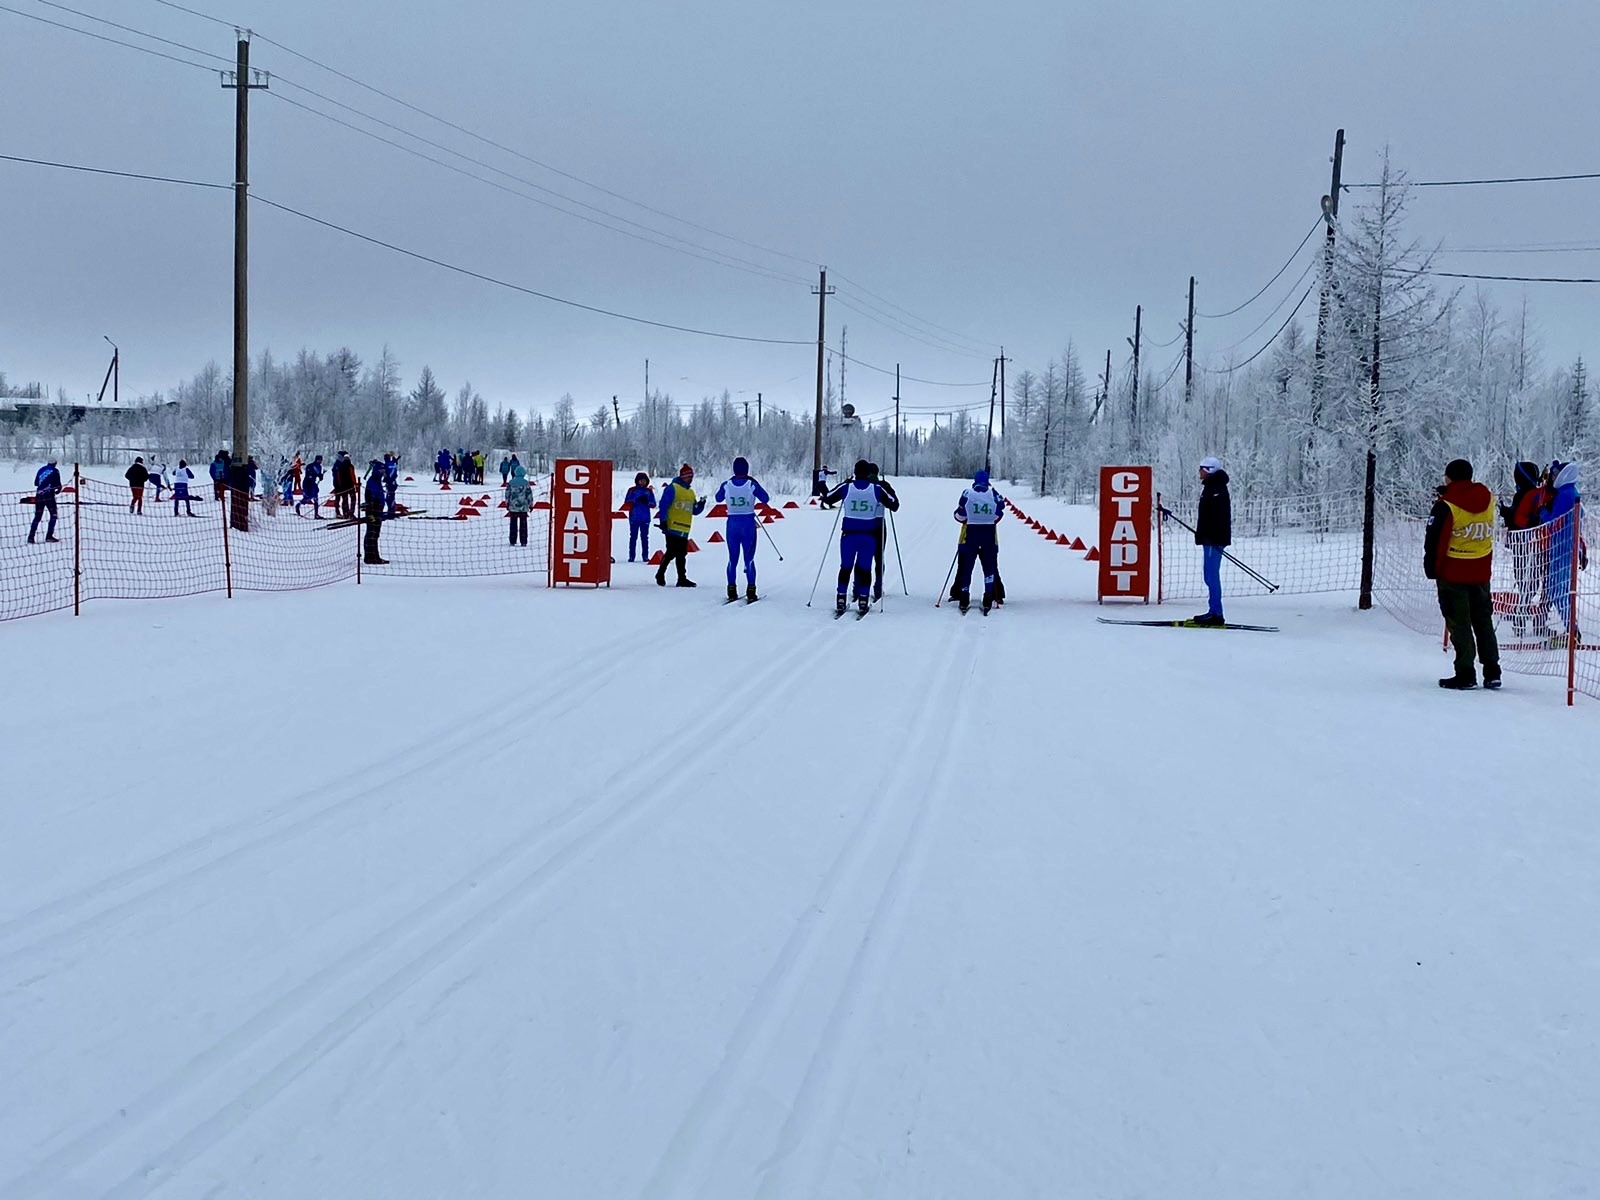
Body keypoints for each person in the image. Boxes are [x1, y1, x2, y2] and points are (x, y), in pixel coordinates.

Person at [1425, 458, 1501, 689]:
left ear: (1450, 478)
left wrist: (1432, 569)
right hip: (1480, 571)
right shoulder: (1488, 499)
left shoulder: (1446, 506)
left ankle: (1466, 673)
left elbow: (1436, 540)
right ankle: (1492, 671)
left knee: (1459, 623)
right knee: (1483, 621)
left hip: (1454, 573)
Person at [824, 459, 899, 615]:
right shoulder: (876, 489)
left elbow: (828, 498)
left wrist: (822, 486)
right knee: (865, 568)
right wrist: (888, 490)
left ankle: (841, 597)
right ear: (869, 473)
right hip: (868, 536)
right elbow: (894, 505)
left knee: (845, 567)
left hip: (848, 535)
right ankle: (864, 599)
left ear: (855, 472)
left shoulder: (847, 487)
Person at [1499, 461, 1548, 636]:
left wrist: (1507, 514)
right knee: (1526, 581)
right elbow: (1518, 518)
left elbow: (1518, 518)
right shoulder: (1524, 494)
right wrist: (1507, 513)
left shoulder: (1526, 494)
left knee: (1528, 581)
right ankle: (1520, 615)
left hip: (1526, 542)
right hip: (1525, 543)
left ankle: (1521, 614)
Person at [1540, 460, 1584, 646]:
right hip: (1566, 548)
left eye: (1556, 474)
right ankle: (1571, 628)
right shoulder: (1571, 492)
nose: (1553, 478)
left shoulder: (1565, 495)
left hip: (1562, 550)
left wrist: (1542, 512)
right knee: (1558, 589)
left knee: (1558, 590)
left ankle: (1572, 630)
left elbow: (1552, 522)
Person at [715, 456, 771, 600]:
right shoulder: (751, 484)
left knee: (732, 558)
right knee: (749, 558)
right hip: (747, 524)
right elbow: (765, 498)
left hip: (732, 524)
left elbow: (718, 498)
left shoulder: (726, 484)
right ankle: (751, 589)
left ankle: (731, 588)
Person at [950, 468, 1005, 613]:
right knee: (989, 567)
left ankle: (963, 595)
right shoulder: (993, 494)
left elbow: (959, 516)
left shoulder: (968, 493)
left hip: (970, 536)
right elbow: (999, 513)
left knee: (966, 567)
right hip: (989, 536)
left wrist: (969, 518)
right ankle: (989, 596)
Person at [1193, 456, 1232, 626]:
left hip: (1213, 540)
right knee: (1209, 576)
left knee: (1211, 575)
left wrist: (1209, 535)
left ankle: (1216, 613)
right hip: (1210, 538)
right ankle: (1214, 611)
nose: (1199, 471)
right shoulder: (1212, 487)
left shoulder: (1216, 489)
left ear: (1209, 469)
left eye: (1202, 468)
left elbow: (1217, 517)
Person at [655, 463, 705, 587]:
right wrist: (663, 521)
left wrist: (701, 504)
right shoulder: (673, 488)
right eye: (688, 476)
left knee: (682, 554)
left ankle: (681, 578)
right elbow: (663, 505)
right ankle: (661, 574)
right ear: (682, 476)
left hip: (684, 528)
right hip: (672, 526)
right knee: (671, 552)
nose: (691, 478)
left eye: (692, 476)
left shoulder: (691, 493)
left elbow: (694, 511)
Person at [865, 462, 898, 600]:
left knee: (862, 558)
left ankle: (858, 586)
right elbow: (895, 504)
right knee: (879, 558)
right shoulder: (882, 486)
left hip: (864, 525)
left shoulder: (862, 485)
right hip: (879, 525)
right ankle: (878, 586)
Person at [27, 458, 63, 543]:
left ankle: (31, 536)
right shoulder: (55, 471)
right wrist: (58, 489)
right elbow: (58, 485)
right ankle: (49, 536)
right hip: (49, 496)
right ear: (55, 463)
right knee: (53, 515)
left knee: (37, 516)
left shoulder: (41, 469)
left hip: (39, 495)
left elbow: (36, 483)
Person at [623, 472, 656, 562]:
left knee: (645, 537)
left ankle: (645, 556)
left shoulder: (649, 491)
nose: (642, 482)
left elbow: (653, 504)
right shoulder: (632, 490)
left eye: (644, 480)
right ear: (637, 481)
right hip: (634, 517)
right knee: (633, 537)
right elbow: (626, 502)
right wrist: (635, 500)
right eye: (641, 480)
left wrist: (647, 502)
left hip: (645, 518)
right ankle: (631, 556)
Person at [363, 459, 389, 565]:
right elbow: (370, 498)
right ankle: (370, 557)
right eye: (382, 470)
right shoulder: (373, 481)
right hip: (373, 511)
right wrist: (371, 513)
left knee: (375, 534)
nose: (383, 472)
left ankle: (374, 556)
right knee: (372, 534)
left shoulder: (377, 481)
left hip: (378, 511)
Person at [506, 462, 533, 546]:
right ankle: (523, 541)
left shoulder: (510, 482)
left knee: (513, 524)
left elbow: (507, 494)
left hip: (513, 507)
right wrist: (531, 504)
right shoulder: (526, 483)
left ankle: (512, 540)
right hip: (523, 507)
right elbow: (529, 494)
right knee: (523, 524)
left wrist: (507, 503)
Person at [332, 450, 358, 519]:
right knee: (351, 499)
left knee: (344, 499)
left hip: (342, 486)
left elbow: (337, 476)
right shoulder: (349, 466)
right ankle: (349, 513)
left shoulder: (340, 465)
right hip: (348, 486)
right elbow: (353, 476)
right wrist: (355, 484)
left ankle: (345, 513)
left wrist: (339, 485)